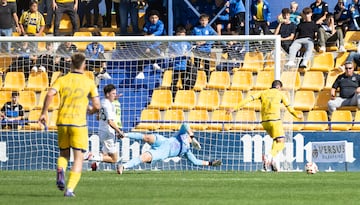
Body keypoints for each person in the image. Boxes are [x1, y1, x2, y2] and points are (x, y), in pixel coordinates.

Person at [38, 52, 100, 197]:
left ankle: (61, 170)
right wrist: (91, 110)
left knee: (63, 154)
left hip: (62, 122)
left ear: (71, 63)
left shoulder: (62, 79)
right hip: (78, 124)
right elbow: (97, 105)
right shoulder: (89, 82)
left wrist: (43, 112)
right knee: (78, 158)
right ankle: (70, 189)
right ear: (84, 65)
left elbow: (49, 94)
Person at [227, 80, 302, 171]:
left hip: (265, 122)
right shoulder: (280, 94)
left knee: (276, 140)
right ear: (279, 87)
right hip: (275, 120)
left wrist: (234, 108)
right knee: (281, 142)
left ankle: (273, 161)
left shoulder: (263, 93)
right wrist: (297, 116)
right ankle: (269, 156)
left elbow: (248, 99)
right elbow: (289, 108)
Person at [116, 123, 222, 174]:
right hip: (163, 141)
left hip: (163, 152)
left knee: (144, 157)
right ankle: (124, 135)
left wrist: (211, 163)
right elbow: (185, 124)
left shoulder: (187, 150)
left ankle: (123, 166)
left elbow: (195, 161)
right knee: (147, 137)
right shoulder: (182, 134)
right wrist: (192, 136)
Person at [90, 84, 124, 171]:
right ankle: (93, 157)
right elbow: (110, 121)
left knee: (104, 152)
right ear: (107, 94)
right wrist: (119, 131)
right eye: (113, 93)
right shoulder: (109, 105)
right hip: (108, 132)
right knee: (114, 159)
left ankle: (95, 164)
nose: (115, 95)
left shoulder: (102, 102)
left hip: (102, 130)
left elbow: (97, 117)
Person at [168, 26, 192, 98]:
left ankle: (184, 97)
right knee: (174, 82)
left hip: (184, 66)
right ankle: (173, 97)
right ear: (176, 35)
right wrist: (171, 55)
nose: (181, 36)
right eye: (179, 34)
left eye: (182, 34)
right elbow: (169, 53)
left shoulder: (187, 43)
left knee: (184, 81)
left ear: (185, 34)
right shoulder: (173, 43)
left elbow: (190, 53)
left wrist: (187, 55)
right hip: (175, 66)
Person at [192, 13, 217, 81]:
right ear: (200, 21)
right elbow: (191, 39)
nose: (204, 22)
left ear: (208, 21)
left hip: (206, 50)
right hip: (198, 50)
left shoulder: (210, 29)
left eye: (205, 20)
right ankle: (195, 80)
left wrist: (205, 41)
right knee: (196, 66)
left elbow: (215, 37)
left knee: (206, 67)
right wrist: (195, 42)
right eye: (202, 20)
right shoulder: (195, 29)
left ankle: (207, 81)